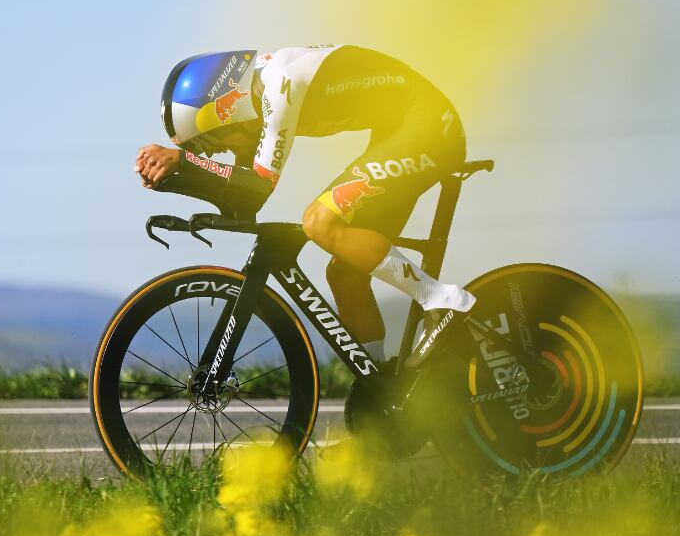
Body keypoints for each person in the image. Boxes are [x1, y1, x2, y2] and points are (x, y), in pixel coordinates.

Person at [135, 45, 476, 369]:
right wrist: (176, 180)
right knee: (345, 275)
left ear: (226, 109)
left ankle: (443, 299)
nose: (216, 152)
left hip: (430, 126)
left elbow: (256, 188)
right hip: (400, 131)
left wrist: (184, 161)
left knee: (320, 223)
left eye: (209, 141)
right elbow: (242, 201)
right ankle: (385, 391)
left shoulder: (280, 86)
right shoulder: (257, 95)